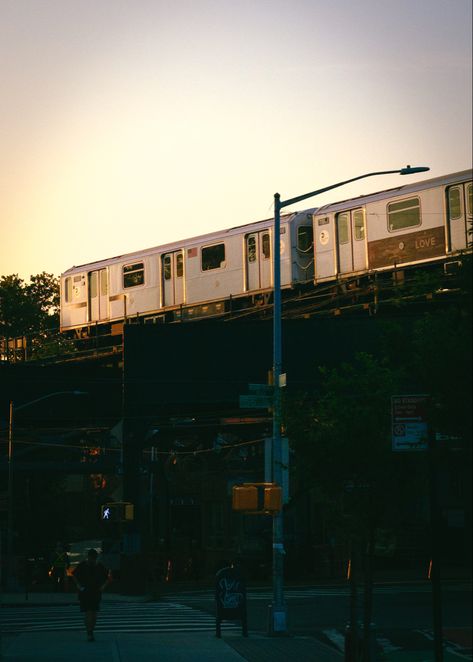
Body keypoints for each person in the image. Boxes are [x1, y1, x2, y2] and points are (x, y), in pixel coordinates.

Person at [72, 548, 110, 642]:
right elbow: (74, 576)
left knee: (93, 613)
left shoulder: (99, 567)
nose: (92, 560)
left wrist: (103, 587)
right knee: (89, 612)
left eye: (93, 558)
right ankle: (89, 632)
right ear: (88, 557)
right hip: (85, 592)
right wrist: (79, 586)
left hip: (95, 592)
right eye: (91, 558)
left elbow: (108, 578)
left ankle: (90, 630)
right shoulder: (83, 566)